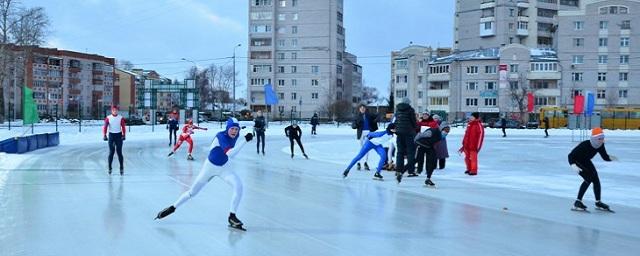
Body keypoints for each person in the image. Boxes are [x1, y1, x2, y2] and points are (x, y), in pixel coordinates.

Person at [155, 118, 254, 231]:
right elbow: (230, 154)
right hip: (209, 167)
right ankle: (172, 208)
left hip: (223, 168)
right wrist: (245, 141)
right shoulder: (221, 136)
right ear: (227, 128)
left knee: (238, 186)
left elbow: (241, 129)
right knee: (192, 193)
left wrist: (251, 127)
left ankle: (232, 216)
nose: (234, 132)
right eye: (232, 129)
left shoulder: (236, 133)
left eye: (236, 129)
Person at [568, 127, 616, 212]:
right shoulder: (585, 144)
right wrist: (573, 165)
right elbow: (570, 155)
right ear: (595, 138)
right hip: (576, 160)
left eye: (603, 138)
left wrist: (610, 158)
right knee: (588, 178)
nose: (602, 140)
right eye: (600, 138)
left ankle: (598, 202)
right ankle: (577, 203)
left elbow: (604, 156)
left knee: (596, 178)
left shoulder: (600, 145)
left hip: (586, 161)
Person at [393, 98, 418, 183]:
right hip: (409, 133)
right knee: (410, 152)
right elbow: (414, 122)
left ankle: (398, 170)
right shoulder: (410, 110)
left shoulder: (398, 110)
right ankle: (411, 171)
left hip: (399, 133)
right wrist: (414, 128)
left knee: (400, 152)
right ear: (408, 103)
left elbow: (396, 121)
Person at [352, 104, 379, 171]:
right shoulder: (357, 116)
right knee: (361, 148)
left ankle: (365, 163)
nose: (362, 109)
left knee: (367, 148)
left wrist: (375, 120)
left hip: (368, 133)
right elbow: (353, 125)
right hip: (361, 133)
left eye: (363, 108)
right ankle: (358, 162)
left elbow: (377, 116)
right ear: (359, 109)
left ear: (365, 109)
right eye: (361, 108)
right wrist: (356, 124)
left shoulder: (369, 115)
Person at [103, 105, 126, 175]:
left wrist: (124, 135)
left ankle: (121, 168)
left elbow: (123, 127)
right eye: (113, 110)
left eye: (116, 110)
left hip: (119, 136)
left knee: (119, 152)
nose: (115, 111)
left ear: (117, 111)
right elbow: (105, 127)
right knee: (111, 152)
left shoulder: (120, 118)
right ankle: (110, 168)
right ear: (111, 111)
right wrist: (104, 135)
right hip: (111, 136)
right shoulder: (108, 118)